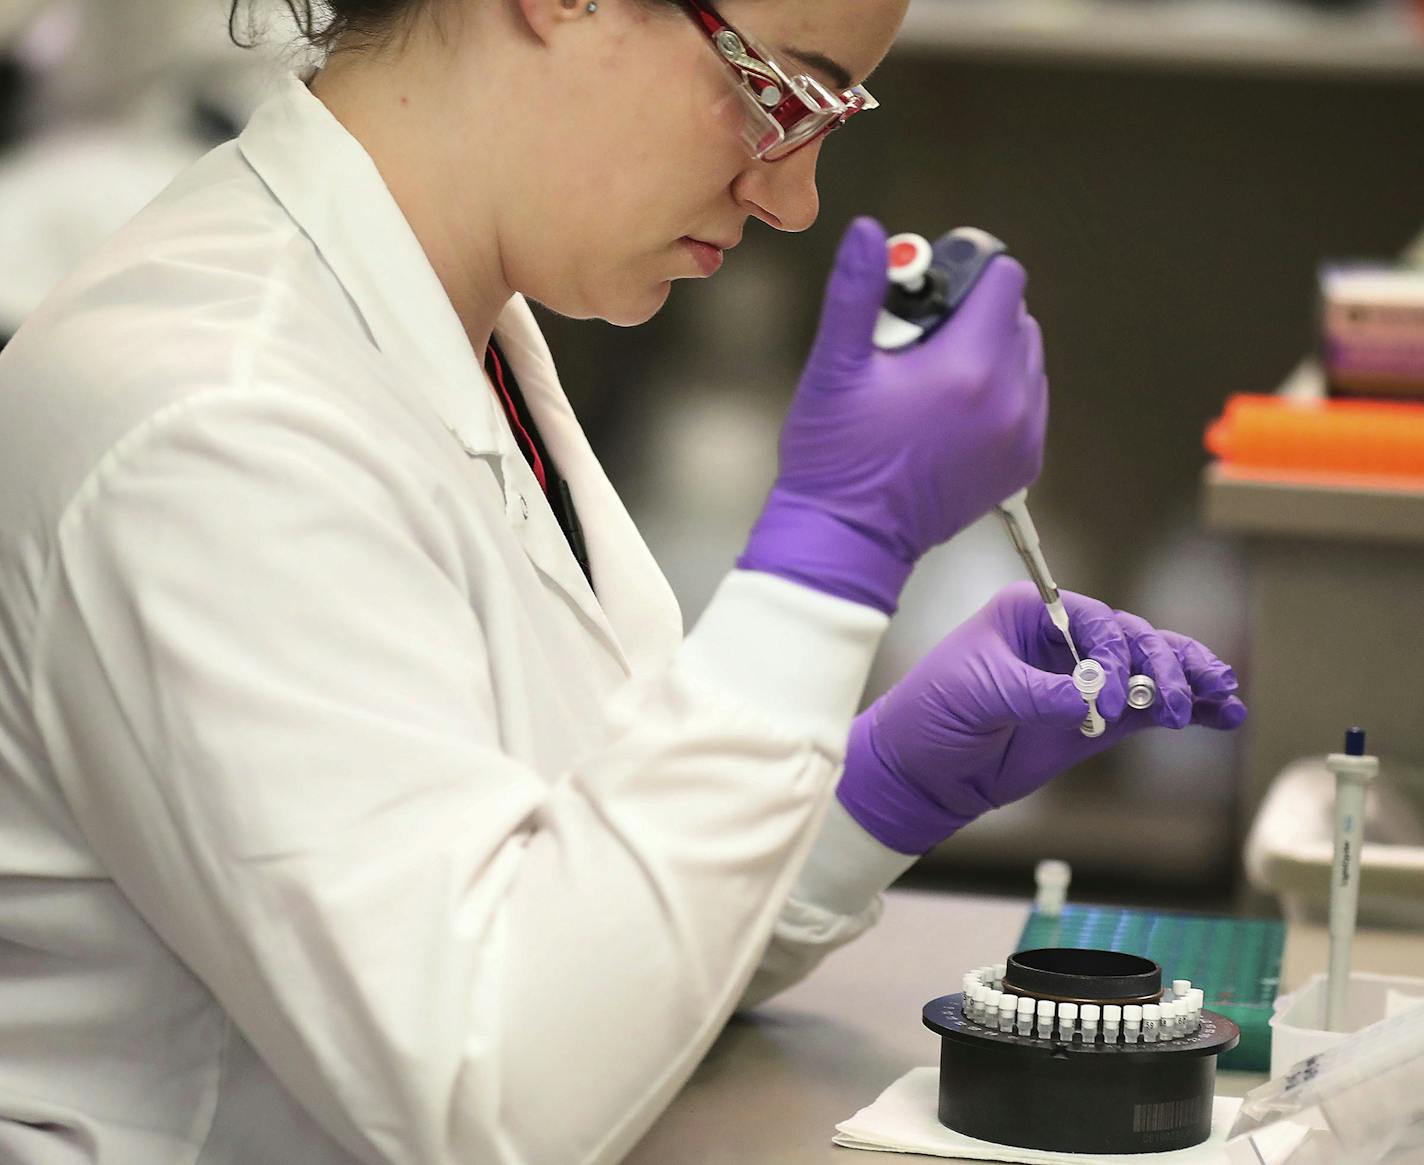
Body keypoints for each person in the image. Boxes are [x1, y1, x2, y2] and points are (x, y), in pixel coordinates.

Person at [0, 0, 1247, 1161]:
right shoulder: (211, 416)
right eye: (776, 96)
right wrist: (833, 552)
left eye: (829, 122)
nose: (795, 197)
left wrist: (869, 795)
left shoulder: (449, 326)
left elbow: (581, 934)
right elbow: (490, 1096)